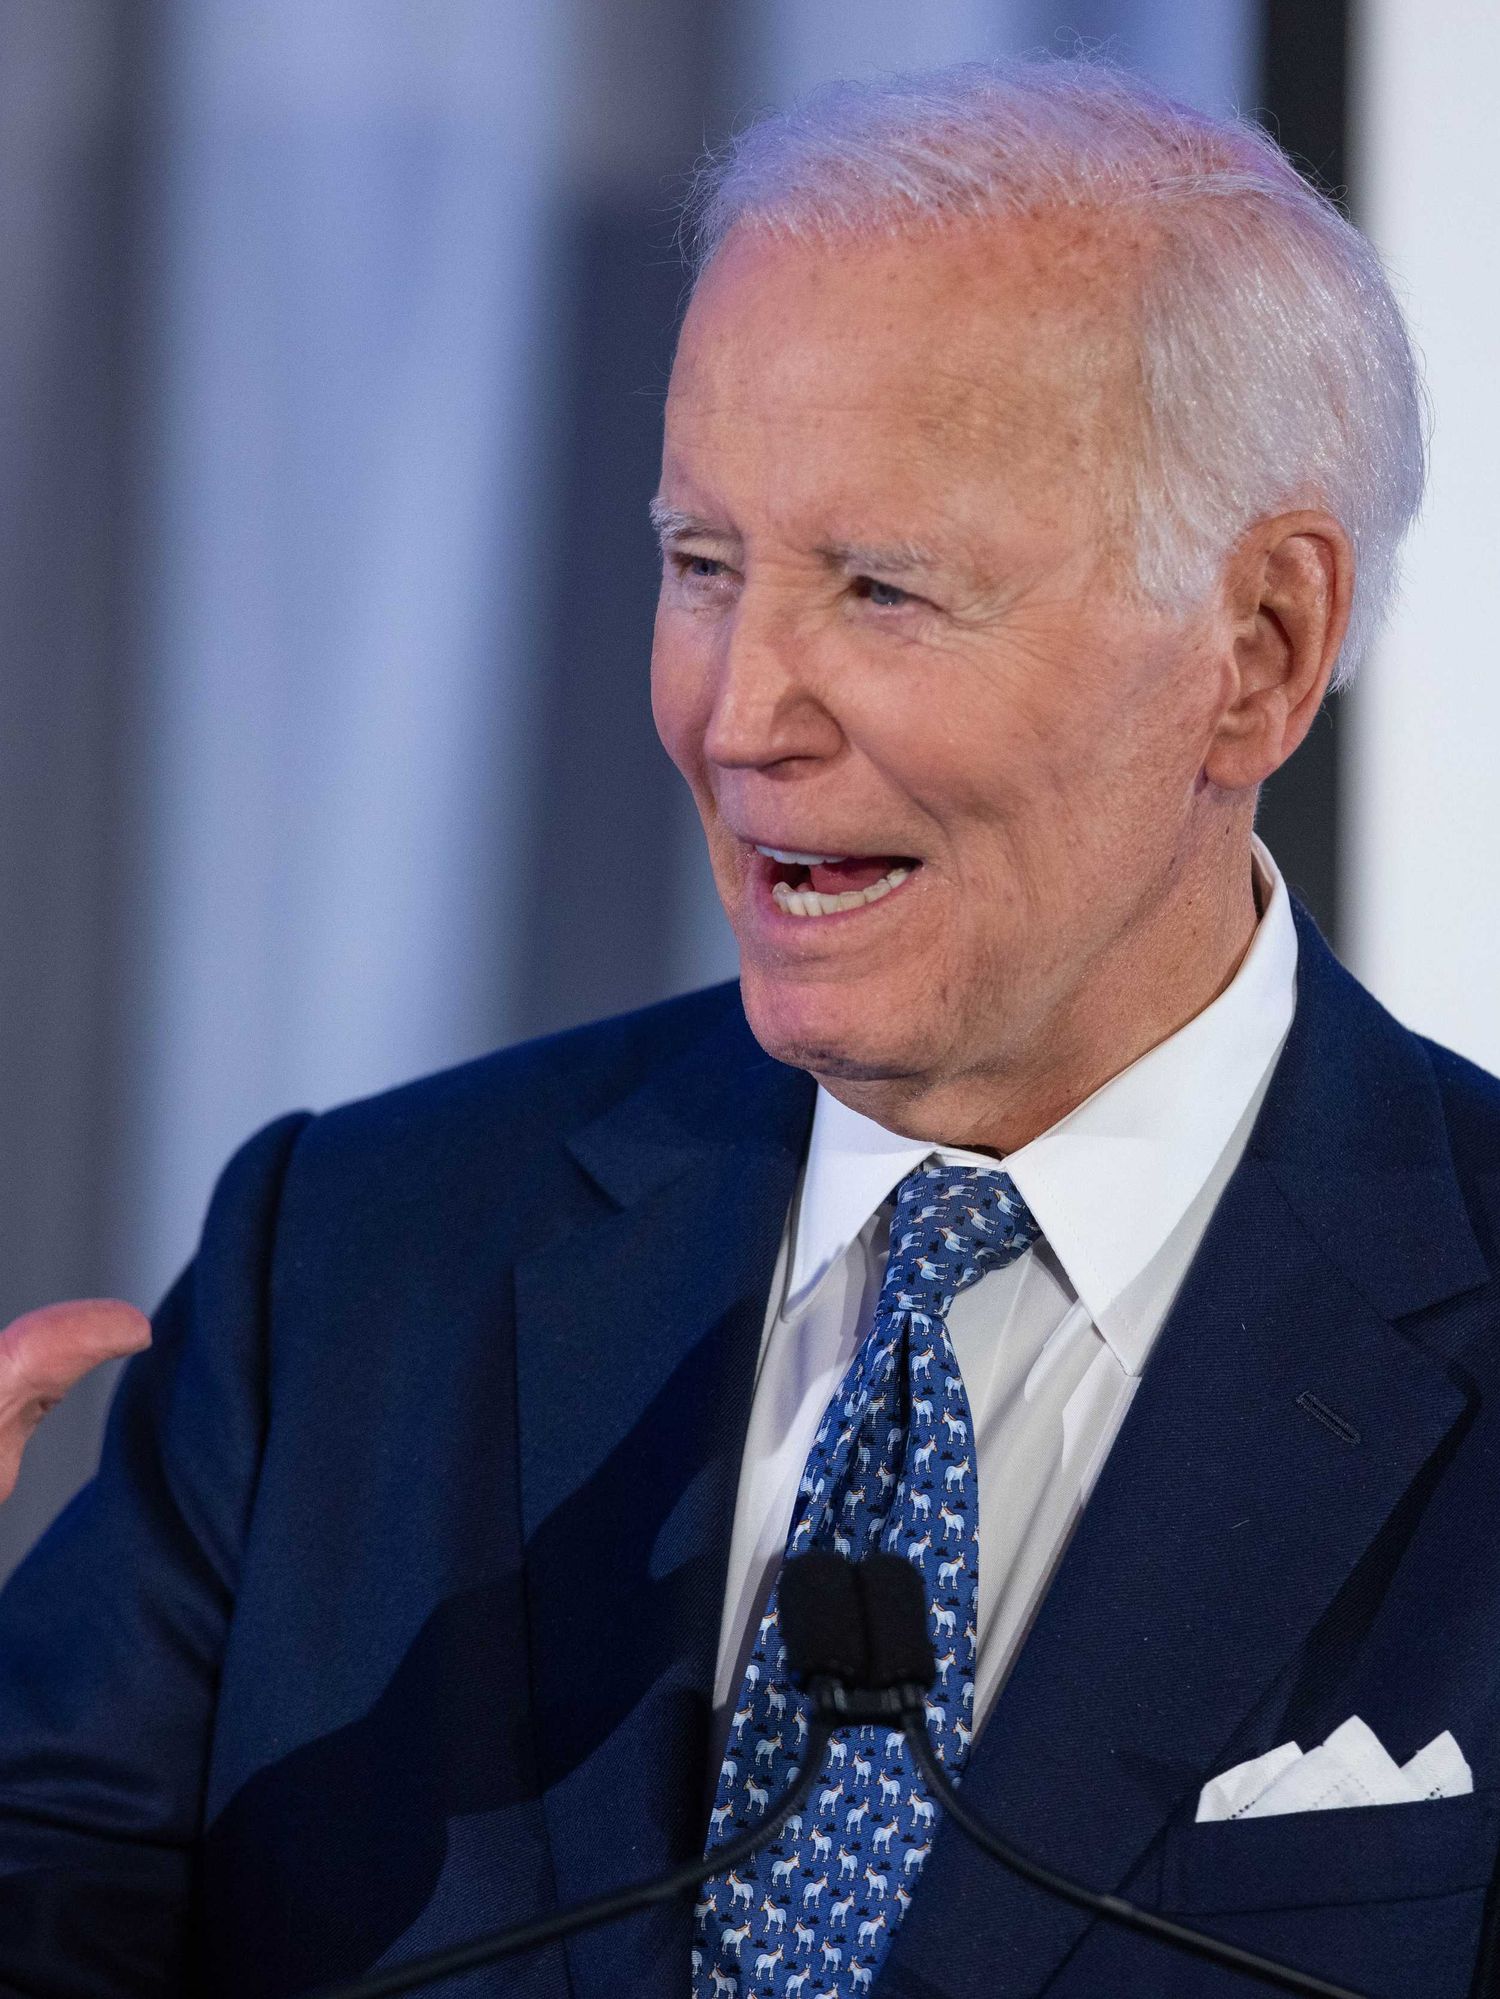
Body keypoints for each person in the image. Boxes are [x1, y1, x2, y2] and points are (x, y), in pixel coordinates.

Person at [1, 54, 1497, 1999]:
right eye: (701, 563)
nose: (739, 709)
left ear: (1259, 652)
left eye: (885, 587)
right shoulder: (355, 1269)